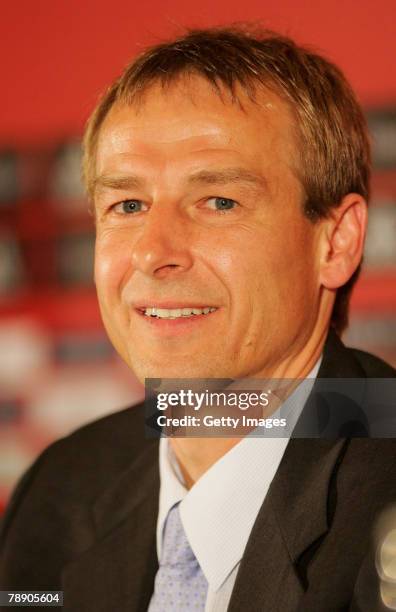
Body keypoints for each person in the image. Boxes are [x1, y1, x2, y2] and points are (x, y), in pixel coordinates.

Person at [1, 26, 395, 612]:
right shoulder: (62, 486)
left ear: (335, 242)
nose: (154, 251)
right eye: (127, 205)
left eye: (219, 202)